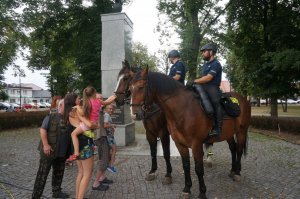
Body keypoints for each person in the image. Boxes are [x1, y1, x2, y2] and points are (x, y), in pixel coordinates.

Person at [68, 88, 115, 199]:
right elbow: (89, 124)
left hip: (78, 143)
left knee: (80, 172)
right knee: (87, 174)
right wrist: (95, 125)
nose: (79, 99)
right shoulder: (80, 109)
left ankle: (78, 197)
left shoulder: (73, 110)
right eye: (78, 98)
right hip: (85, 141)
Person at [32, 98, 71, 199]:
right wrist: (45, 145)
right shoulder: (51, 116)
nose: (69, 108)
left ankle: (56, 192)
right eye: (67, 106)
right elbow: (42, 130)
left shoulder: (69, 118)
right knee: (42, 175)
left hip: (62, 153)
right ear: (61, 106)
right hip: (49, 151)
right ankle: (36, 196)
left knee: (59, 173)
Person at [193, 43, 222, 137]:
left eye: (204, 52)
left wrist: (195, 81)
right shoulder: (205, 65)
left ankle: (217, 128)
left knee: (215, 102)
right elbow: (202, 78)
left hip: (212, 87)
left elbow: (209, 78)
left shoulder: (216, 64)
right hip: (203, 86)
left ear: (211, 52)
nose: (202, 54)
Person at [92, 93, 115, 191]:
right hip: (100, 137)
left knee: (105, 158)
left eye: (102, 98)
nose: (101, 100)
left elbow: (107, 103)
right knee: (104, 160)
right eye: (99, 98)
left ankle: (102, 177)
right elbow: (107, 102)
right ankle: (96, 183)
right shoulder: (96, 108)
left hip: (103, 137)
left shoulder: (100, 109)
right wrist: (115, 95)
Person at [104, 104, 117, 173]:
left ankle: (109, 164)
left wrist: (111, 127)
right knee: (114, 149)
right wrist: (113, 125)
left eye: (112, 109)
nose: (111, 110)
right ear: (106, 109)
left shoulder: (106, 115)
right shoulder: (107, 115)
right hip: (109, 136)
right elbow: (105, 125)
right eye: (109, 109)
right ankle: (111, 166)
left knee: (111, 150)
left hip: (109, 135)